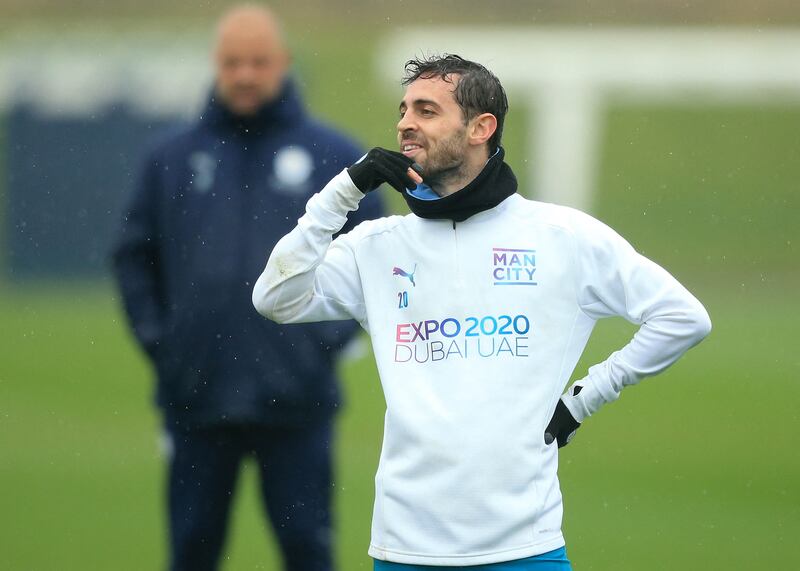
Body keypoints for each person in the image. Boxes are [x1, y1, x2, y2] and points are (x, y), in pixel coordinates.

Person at [252, 54, 712, 570]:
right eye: (403, 110)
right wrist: (344, 191)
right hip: (404, 547)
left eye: (427, 111)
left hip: (525, 548)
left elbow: (681, 316)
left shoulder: (562, 237)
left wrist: (583, 400)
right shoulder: (377, 245)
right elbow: (274, 298)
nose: (405, 123)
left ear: (481, 128)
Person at [112, 5, 383, 571]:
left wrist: (325, 341)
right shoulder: (171, 158)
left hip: (298, 400)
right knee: (192, 551)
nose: (246, 75)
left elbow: (375, 257)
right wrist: (164, 344)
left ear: (283, 64)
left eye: (259, 62)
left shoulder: (333, 155)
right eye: (234, 62)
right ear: (217, 65)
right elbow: (134, 258)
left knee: (308, 551)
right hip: (196, 398)